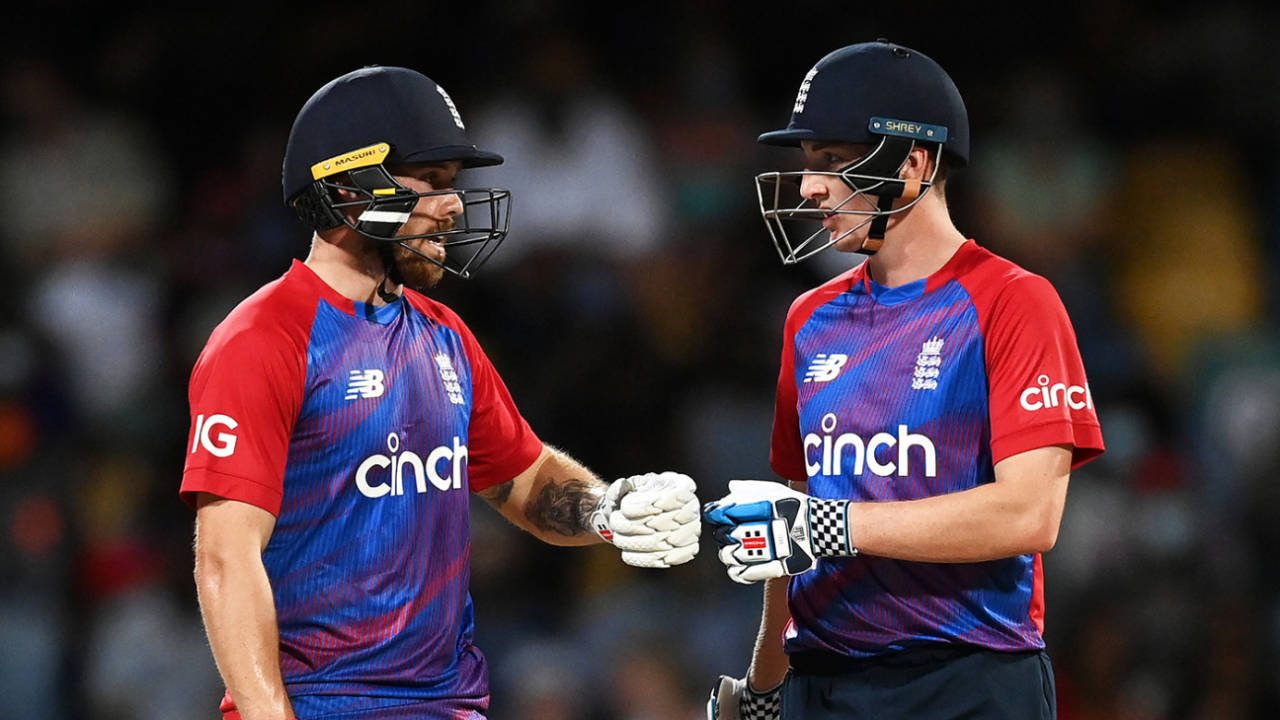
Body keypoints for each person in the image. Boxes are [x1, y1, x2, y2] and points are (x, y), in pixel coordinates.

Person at [180, 66, 701, 720]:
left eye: (452, 184)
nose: (453, 205)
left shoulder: (444, 334)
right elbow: (225, 558)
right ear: (346, 185)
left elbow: (523, 479)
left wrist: (607, 511)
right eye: (430, 181)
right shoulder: (263, 340)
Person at [703, 40, 1104, 720]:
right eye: (807, 165)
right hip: (821, 681)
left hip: (967, 679)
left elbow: (1029, 515)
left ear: (913, 161)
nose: (809, 187)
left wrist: (835, 526)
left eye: (832, 162)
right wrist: (766, 688)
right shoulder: (808, 318)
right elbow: (795, 522)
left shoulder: (1013, 301)